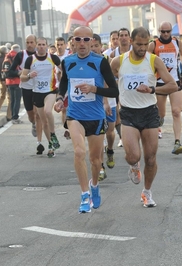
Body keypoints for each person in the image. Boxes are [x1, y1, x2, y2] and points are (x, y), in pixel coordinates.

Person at [110, 27, 178, 208]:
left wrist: (152, 89)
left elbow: (172, 85)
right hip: (128, 113)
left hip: (148, 112)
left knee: (150, 158)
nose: (142, 48)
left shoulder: (154, 61)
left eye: (145, 44)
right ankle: (133, 166)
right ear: (131, 42)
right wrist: (106, 104)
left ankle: (147, 192)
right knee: (133, 156)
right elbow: (108, 84)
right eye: (138, 44)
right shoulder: (118, 62)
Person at [54, 26, 118, 213]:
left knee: (95, 160)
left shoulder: (101, 62)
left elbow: (114, 91)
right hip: (75, 115)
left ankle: (94, 185)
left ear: (92, 42)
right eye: (78, 39)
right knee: (79, 152)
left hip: (96, 117)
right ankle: (84, 195)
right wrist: (59, 99)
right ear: (72, 42)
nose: (82, 43)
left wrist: (94, 89)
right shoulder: (68, 62)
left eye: (86, 39)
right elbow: (64, 82)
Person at [148, 21, 182, 155]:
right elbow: (146, 60)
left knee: (176, 111)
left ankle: (177, 142)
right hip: (160, 82)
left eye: (168, 31)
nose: (165, 34)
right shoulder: (153, 44)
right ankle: (160, 119)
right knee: (161, 114)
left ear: (171, 31)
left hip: (175, 82)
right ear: (159, 31)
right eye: (162, 32)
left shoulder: (177, 42)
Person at [20, 37, 61, 158]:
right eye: (39, 44)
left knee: (48, 111)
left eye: (44, 44)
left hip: (50, 91)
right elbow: (22, 78)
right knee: (44, 122)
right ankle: (50, 145)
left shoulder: (53, 58)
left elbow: (65, 70)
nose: (41, 46)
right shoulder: (30, 60)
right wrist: (29, 75)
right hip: (37, 92)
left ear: (47, 46)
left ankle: (53, 135)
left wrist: (64, 79)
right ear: (36, 46)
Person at [7, 35, 44, 154]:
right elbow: (10, 71)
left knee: (38, 113)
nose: (29, 44)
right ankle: (33, 123)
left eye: (32, 42)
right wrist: (21, 73)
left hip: (39, 87)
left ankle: (39, 139)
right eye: (27, 42)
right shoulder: (21, 55)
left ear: (36, 43)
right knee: (31, 115)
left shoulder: (42, 55)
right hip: (26, 87)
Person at [91, 33, 117, 181]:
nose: (94, 49)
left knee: (110, 132)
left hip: (109, 101)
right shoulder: (86, 61)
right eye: (92, 46)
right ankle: (100, 166)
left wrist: (107, 101)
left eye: (96, 46)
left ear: (101, 47)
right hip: (95, 103)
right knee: (99, 135)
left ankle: (111, 150)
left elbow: (109, 83)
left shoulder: (107, 60)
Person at [55, 36, 71, 139]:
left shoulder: (68, 56)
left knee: (69, 108)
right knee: (63, 109)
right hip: (57, 86)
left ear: (65, 45)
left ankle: (70, 129)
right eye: (58, 45)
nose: (60, 46)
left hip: (68, 85)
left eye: (62, 44)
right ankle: (66, 128)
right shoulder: (53, 57)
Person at [4, 44, 23, 125]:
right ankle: (15, 117)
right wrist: (19, 73)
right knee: (17, 100)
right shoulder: (18, 57)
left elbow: (5, 71)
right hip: (17, 81)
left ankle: (12, 116)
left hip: (9, 82)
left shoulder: (7, 58)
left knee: (12, 100)